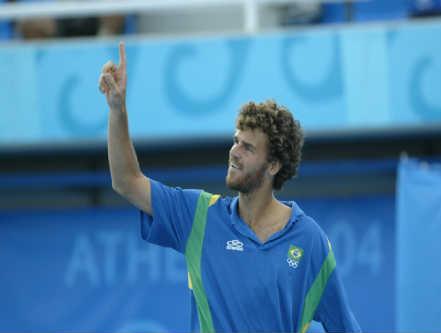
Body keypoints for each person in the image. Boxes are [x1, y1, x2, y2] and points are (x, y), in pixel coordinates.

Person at [99, 41, 361, 333]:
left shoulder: (310, 241)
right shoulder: (198, 215)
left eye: (247, 147)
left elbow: (345, 327)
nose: (234, 151)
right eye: (236, 140)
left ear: (273, 165)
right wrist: (117, 111)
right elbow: (127, 182)